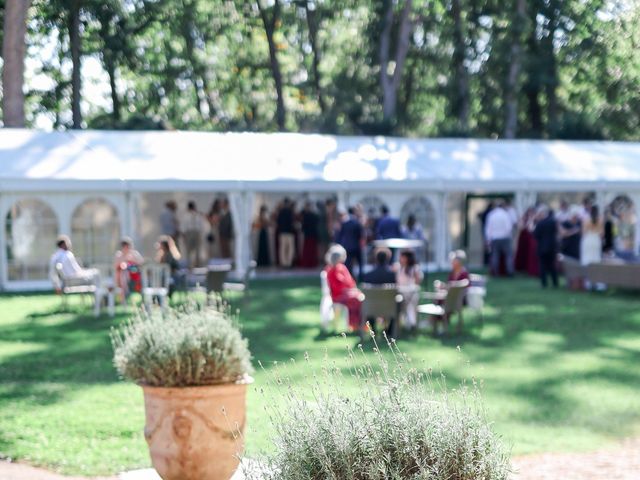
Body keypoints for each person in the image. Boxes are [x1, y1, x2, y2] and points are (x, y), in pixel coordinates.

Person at [324, 244, 362, 331]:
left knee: (360, 298)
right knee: (356, 300)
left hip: (347, 293)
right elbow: (336, 288)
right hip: (338, 296)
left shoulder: (341, 267)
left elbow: (351, 282)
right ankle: (355, 325)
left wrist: (353, 290)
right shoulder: (331, 270)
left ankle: (360, 324)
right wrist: (350, 290)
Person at [485, 201, 514, 276]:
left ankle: (495, 272)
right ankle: (509, 271)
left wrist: (488, 239)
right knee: (508, 255)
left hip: (494, 238)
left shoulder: (491, 215)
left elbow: (488, 228)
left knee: (495, 255)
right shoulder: (506, 214)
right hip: (505, 237)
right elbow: (509, 227)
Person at [395, 249, 423, 329]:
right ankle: (406, 323)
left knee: (411, 301)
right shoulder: (399, 268)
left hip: (411, 293)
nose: (400, 259)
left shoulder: (414, 268)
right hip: (400, 293)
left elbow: (418, 282)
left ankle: (411, 323)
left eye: (402, 257)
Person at [533, 205, 558, 288]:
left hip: (542, 247)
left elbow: (535, 235)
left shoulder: (540, 223)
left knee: (542, 266)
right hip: (552, 247)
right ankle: (555, 282)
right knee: (552, 266)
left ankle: (544, 283)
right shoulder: (553, 221)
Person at [336, 207, 364, 280]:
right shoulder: (357, 222)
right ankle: (361, 277)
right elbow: (360, 235)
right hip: (356, 245)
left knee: (348, 263)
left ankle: (349, 277)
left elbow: (340, 235)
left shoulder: (344, 223)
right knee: (360, 262)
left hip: (347, 246)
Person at [182, 201, 206, 267]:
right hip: (197, 233)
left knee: (189, 251)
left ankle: (189, 265)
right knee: (197, 250)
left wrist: (184, 237)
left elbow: (183, 227)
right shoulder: (198, 215)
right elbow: (202, 226)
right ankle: (197, 264)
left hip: (189, 233)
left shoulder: (186, 216)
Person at [277, 198, 296, 268]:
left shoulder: (280, 212)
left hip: (283, 232)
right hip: (289, 232)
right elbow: (292, 222)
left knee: (283, 248)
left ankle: (284, 263)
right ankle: (288, 263)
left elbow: (278, 222)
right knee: (289, 248)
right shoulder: (290, 212)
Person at [300, 202, 319, 268]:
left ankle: (307, 263)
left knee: (307, 249)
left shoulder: (305, 216)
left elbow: (303, 226)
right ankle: (312, 262)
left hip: (307, 234)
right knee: (312, 249)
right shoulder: (314, 215)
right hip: (313, 234)